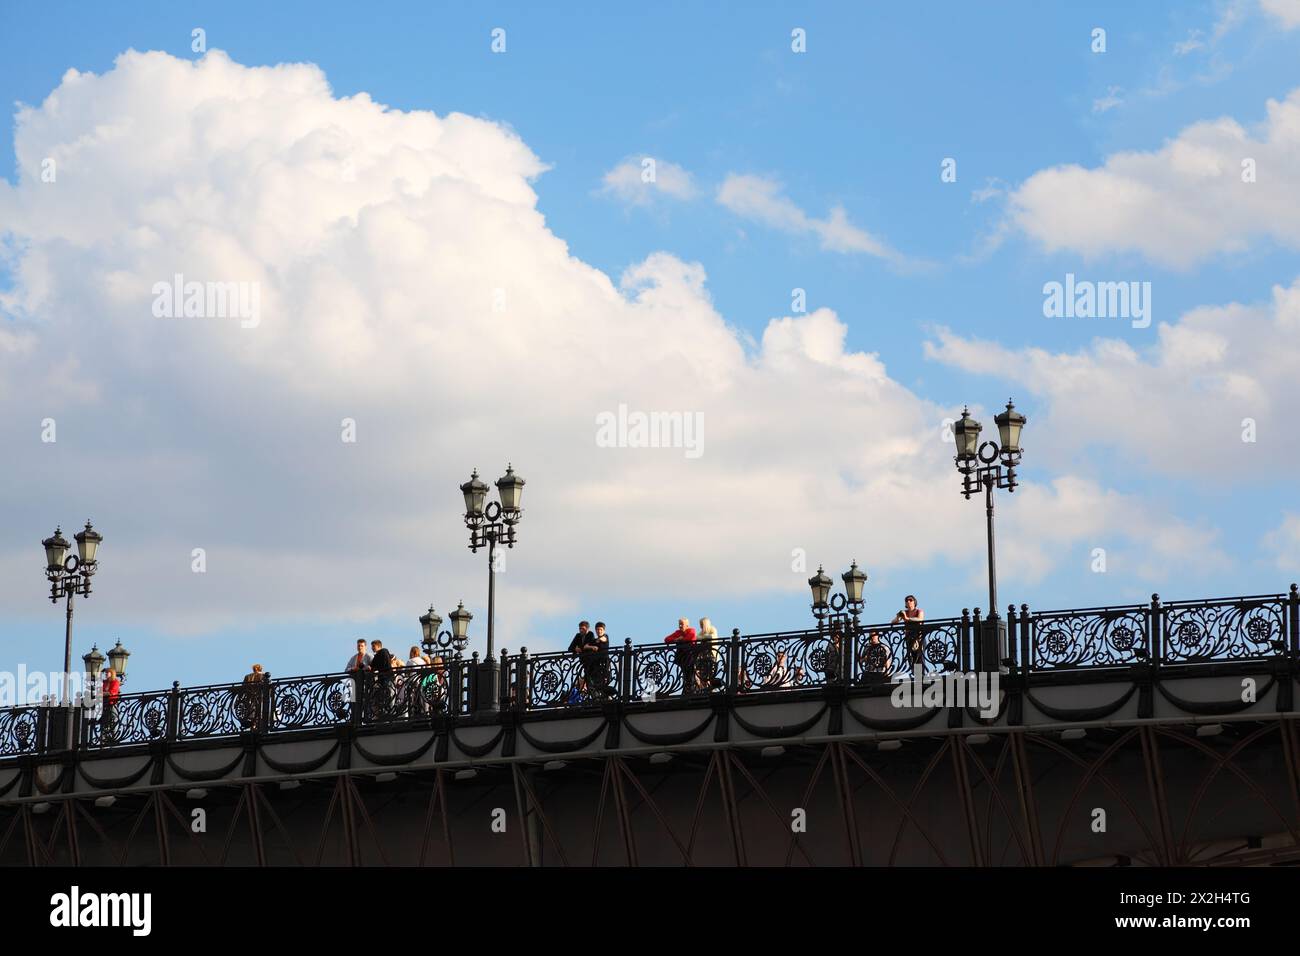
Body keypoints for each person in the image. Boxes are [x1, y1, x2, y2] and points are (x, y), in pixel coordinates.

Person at [664, 617, 698, 694]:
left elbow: (691, 638)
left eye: (682, 624)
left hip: (690, 655)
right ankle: (687, 689)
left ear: (687, 625)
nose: (680, 626)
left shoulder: (691, 630)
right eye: (679, 624)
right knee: (685, 673)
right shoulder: (678, 632)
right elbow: (666, 639)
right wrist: (676, 639)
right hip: (681, 656)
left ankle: (691, 690)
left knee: (690, 672)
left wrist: (681, 639)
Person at [893, 595, 925, 672]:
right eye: (907, 600)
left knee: (919, 657)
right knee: (912, 657)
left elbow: (920, 619)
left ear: (914, 602)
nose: (908, 602)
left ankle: (921, 676)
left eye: (910, 600)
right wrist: (898, 617)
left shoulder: (919, 611)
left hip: (918, 638)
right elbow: (893, 622)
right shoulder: (905, 613)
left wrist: (907, 619)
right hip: (909, 638)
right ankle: (915, 674)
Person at [370, 639, 395, 716]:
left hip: (387, 678)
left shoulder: (383, 651)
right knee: (385, 695)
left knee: (390, 694)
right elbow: (372, 666)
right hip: (383, 679)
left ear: (378, 646)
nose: (372, 648)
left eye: (373, 646)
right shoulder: (377, 655)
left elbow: (377, 665)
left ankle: (391, 711)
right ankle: (386, 711)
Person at [697, 618, 722, 690]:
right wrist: (703, 637)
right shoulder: (702, 632)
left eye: (702, 624)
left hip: (711, 655)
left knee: (709, 673)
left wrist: (703, 638)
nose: (700, 626)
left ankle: (709, 688)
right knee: (701, 673)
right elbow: (696, 637)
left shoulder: (712, 629)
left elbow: (712, 637)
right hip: (703, 655)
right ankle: (703, 688)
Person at [240, 663, 266, 731]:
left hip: (250, 698)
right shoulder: (264, 675)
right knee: (260, 713)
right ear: (261, 668)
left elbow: (243, 688)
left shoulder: (247, 676)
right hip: (260, 697)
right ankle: (259, 727)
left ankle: (253, 727)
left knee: (252, 713)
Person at [100, 668, 121, 744]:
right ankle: (104, 737)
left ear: (111, 673)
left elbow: (112, 692)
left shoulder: (115, 681)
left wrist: (103, 693)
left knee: (114, 717)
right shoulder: (104, 682)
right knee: (104, 720)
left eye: (107, 673)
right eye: (105, 673)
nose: (105, 674)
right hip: (105, 703)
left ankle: (113, 735)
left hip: (112, 702)